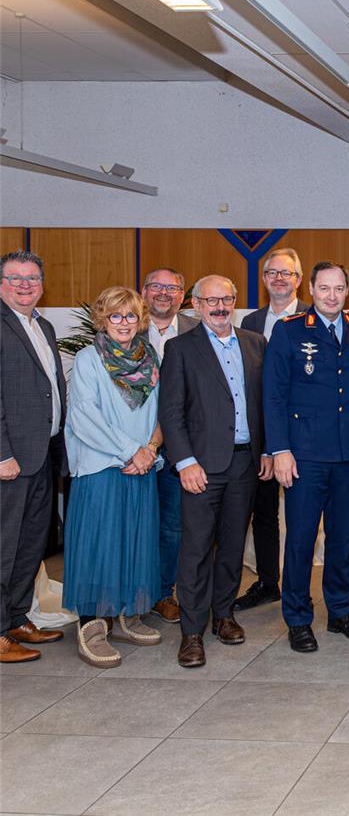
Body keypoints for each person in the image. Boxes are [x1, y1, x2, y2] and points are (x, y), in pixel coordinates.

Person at [263, 261, 349, 653]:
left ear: (348, 290)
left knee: (344, 539)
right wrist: (280, 450)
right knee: (301, 539)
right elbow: (274, 395)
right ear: (311, 289)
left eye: (339, 288)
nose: (332, 295)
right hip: (305, 456)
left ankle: (340, 610)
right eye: (324, 288)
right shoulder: (290, 330)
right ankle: (297, 618)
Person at [159, 275, 269, 668]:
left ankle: (223, 616)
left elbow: (265, 403)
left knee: (233, 545)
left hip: (245, 463)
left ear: (235, 302)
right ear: (196, 304)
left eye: (227, 299)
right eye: (211, 300)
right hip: (201, 466)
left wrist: (268, 450)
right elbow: (170, 412)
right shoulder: (180, 349)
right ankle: (191, 632)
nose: (220, 307)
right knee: (196, 548)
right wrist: (185, 461)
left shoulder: (256, 344)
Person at [62, 286, 164, 668]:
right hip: (101, 465)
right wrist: (129, 451)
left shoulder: (150, 358)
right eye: (116, 316)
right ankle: (91, 624)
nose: (124, 323)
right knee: (99, 542)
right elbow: (85, 417)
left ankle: (126, 613)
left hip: (141, 465)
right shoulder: (90, 358)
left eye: (131, 316)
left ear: (141, 320)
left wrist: (149, 451)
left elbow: (161, 412)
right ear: (103, 320)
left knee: (135, 539)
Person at [0, 251, 67, 662]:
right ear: (1, 283)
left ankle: (15, 617)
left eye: (32, 278)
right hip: (11, 460)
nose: (25, 285)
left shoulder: (42, 325)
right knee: (4, 546)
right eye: (15, 278)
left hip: (43, 454)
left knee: (30, 544)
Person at [235, 247, 303, 612]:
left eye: (287, 273)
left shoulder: (313, 316)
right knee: (263, 511)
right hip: (262, 434)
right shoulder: (248, 323)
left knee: (302, 513)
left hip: (305, 433)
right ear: (263, 280)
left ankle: (300, 584)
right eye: (273, 273)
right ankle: (267, 581)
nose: (279, 279)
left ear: (299, 280)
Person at [141, 268, 197, 626]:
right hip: (132, 447)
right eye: (156, 287)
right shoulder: (122, 328)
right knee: (134, 521)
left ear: (183, 295)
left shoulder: (197, 330)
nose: (164, 293)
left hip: (180, 446)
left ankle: (163, 593)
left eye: (172, 288)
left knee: (173, 526)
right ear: (143, 292)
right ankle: (130, 592)